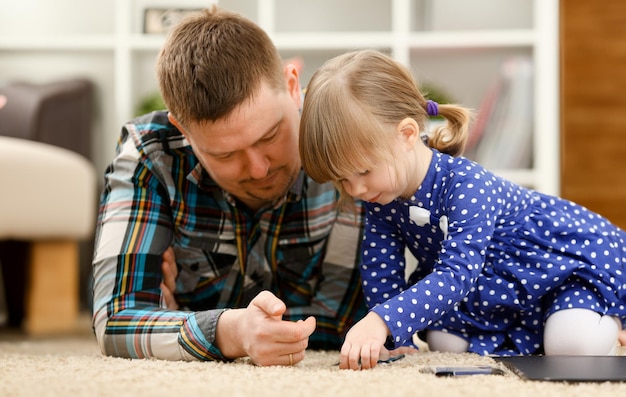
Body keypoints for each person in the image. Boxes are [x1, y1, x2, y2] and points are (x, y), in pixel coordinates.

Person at [298, 49, 626, 370]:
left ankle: (614, 320)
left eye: (364, 172)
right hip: (492, 292)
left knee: (571, 348)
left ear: (407, 134)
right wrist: (399, 338)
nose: (355, 190)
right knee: (444, 341)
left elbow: (456, 274)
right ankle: (543, 327)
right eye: (342, 179)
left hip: (562, 268)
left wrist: (381, 321)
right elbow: (381, 270)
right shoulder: (381, 195)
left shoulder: (467, 186)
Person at [91, 6, 368, 366]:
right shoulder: (150, 155)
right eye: (225, 154)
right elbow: (115, 319)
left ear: (292, 85)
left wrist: (173, 324)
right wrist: (232, 331)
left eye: (270, 134)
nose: (258, 168)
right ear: (183, 130)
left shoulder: (351, 133)